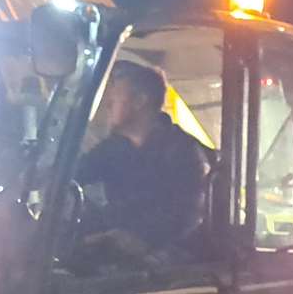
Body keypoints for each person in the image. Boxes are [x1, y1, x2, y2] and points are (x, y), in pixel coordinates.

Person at [74, 59, 213, 260]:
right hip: (118, 247)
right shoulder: (114, 148)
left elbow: (187, 215)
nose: (108, 104)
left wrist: (141, 240)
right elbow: (75, 174)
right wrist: (41, 177)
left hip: (170, 263)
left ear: (139, 101)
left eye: (116, 98)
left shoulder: (182, 151)